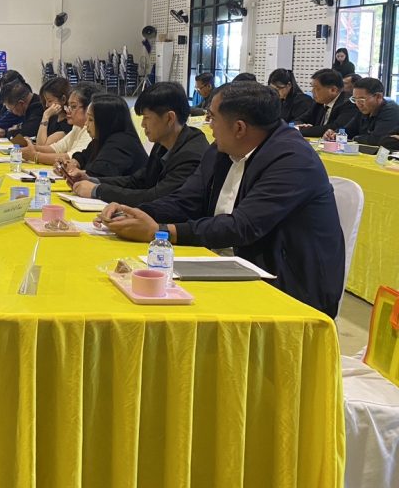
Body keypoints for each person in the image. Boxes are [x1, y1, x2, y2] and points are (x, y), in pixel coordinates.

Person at [99, 82, 345, 318]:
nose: (210, 125)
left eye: (213, 118)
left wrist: (160, 232)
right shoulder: (221, 150)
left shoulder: (292, 159)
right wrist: (133, 212)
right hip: (225, 262)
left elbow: (242, 226)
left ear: (239, 128)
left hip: (285, 285)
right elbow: (186, 200)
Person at [69, 82, 208, 205]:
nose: (142, 124)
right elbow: (137, 181)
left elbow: (157, 197)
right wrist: (93, 180)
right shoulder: (163, 143)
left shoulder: (191, 155)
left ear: (169, 118)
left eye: (146, 118)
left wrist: (98, 190)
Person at [18, 83, 104, 166]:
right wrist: (30, 147)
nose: (68, 110)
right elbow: (56, 148)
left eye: (73, 107)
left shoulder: (91, 131)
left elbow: (71, 158)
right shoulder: (77, 127)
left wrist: (35, 156)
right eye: (68, 106)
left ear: (89, 108)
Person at [64, 94, 147, 177]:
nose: (86, 124)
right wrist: (74, 162)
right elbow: (84, 156)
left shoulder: (120, 144)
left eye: (91, 120)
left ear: (105, 122)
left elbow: (99, 174)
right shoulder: (101, 140)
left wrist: (78, 173)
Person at [324, 76, 399, 145]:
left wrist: (355, 138)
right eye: (355, 99)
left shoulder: (391, 111)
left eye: (361, 99)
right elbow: (349, 130)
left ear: (378, 97)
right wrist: (335, 134)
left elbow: (377, 139)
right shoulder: (365, 109)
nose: (358, 104)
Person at [295, 69, 359, 138]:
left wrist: (301, 130)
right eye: (312, 87)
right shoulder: (319, 103)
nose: (312, 91)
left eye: (317, 88)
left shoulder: (348, 104)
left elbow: (334, 128)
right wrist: (299, 126)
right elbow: (299, 120)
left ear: (333, 90)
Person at [36, 76, 73, 142]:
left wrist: (45, 116)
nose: (46, 105)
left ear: (63, 99)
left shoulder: (68, 124)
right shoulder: (53, 117)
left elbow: (41, 145)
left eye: (49, 101)